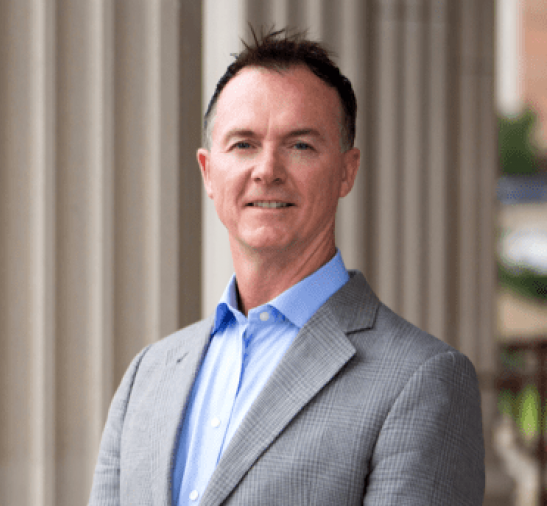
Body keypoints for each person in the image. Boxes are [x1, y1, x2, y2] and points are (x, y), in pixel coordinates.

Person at [89, 28, 484, 506]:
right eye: (243, 144)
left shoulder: (422, 379)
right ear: (208, 171)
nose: (267, 169)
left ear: (346, 170)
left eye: (300, 145)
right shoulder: (147, 377)